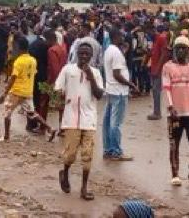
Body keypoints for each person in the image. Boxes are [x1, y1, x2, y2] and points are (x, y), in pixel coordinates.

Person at [55, 43, 105, 201]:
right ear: (77, 53)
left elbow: (98, 95)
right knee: (70, 155)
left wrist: (91, 77)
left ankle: (84, 188)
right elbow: (58, 89)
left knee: (87, 155)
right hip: (71, 119)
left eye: (87, 54)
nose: (84, 57)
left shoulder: (96, 73)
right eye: (81, 53)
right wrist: (60, 99)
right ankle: (65, 173)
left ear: (91, 57)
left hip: (89, 119)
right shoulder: (68, 70)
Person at [162, 36, 189, 187]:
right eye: (177, 48)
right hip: (175, 113)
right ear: (174, 50)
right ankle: (175, 174)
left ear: (187, 50)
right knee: (174, 144)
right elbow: (166, 88)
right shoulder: (167, 67)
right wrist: (170, 106)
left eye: (183, 48)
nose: (180, 50)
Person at [0, 37, 57, 142]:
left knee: (7, 113)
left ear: (18, 47)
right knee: (32, 113)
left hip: (16, 91)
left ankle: (6, 136)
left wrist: (5, 92)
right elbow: (32, 74)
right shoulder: (33, 60)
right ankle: (50, 128)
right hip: (28, 91)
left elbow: (13, 78)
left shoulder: (18, 61)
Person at [103, 27, 137, 161]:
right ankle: (116, 151)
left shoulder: (109, 50)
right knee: (115, 123)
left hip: (111, 89)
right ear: (116, 37)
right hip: (119, 91)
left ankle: (108, 149)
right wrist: (130, 84)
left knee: (108, 121)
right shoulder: (116, 53)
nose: (123, 38)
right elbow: (117, 74)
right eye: (121, 36)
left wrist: (124, 50)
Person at [147, 24, 169, 120]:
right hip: (154, 68)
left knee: (156, 90)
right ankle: (156, 111)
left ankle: (157, 112)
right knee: (155, 90)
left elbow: (164, 54)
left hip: (158, 69)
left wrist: (158, 68)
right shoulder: (155, 40)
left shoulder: (161, 38)